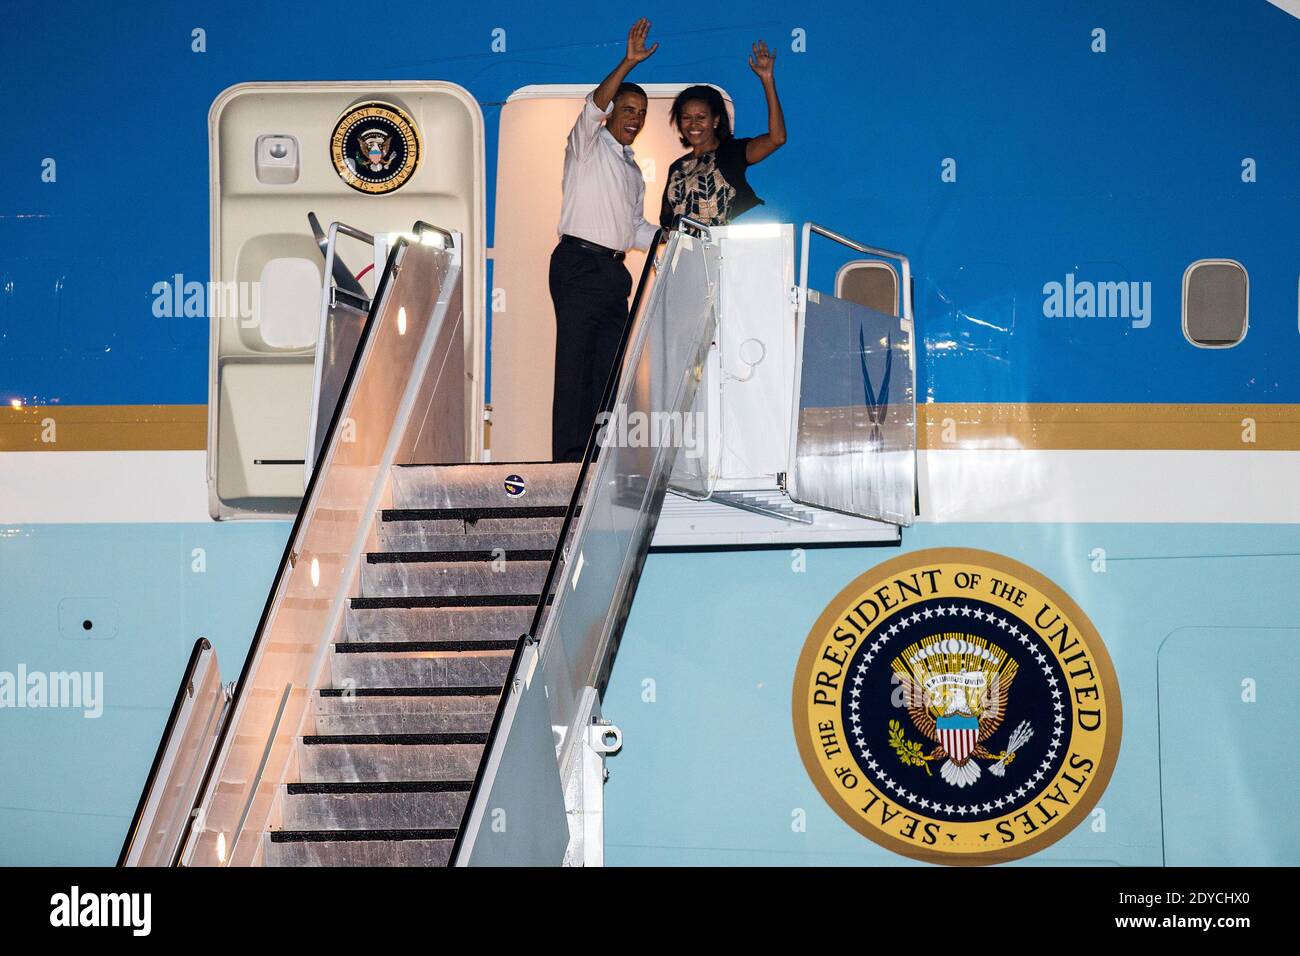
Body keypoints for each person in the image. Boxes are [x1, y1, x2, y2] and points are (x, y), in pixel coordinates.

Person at [550, 19, 661, 463]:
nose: (634, 118)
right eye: (628, 108)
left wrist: (673, 237)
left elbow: (635, 229)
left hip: (614, 272)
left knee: (608, 368)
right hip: (578, 263)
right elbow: (592, 105)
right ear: (611, 111)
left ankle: (596, 458)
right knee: (575, 363)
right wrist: (629, 61)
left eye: (641, 113)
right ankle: (567, 461)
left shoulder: (632, 170)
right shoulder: (587, 145)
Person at [659, 41, 787, 230]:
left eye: (701, 117)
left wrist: (767, 80)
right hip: (684, 255)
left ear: (716, 120)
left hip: (724, 251)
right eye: (686, 117)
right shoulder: (677, 167)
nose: (693, 124)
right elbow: (666, 223)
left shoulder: (732, 152)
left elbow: (777, 138)